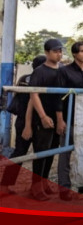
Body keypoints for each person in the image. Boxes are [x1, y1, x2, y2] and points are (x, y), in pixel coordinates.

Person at [0, 55, 46, 198]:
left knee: (19, 152)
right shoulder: (38, 81)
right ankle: (36, 188)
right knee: (37, 155)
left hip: (21, 121)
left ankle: (5, 186)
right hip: (30, 122)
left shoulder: (24, 79)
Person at [56, 41, 83, 200]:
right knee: (65, 154)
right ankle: (64, 188)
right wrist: (60, 119)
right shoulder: (64, 71)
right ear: (74, 54)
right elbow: (58, 97)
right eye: (82, 51)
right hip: (69, 118)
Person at [27, 39, 65, 201]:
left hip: (58, 116)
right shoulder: (40, 71)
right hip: (44, 117)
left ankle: (44, 182)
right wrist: (42, 116)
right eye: (56, 51)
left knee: (52, 151)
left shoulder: (62, 70)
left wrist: (60, 118)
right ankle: (35, 188)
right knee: (41, 152)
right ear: (47, 52)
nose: (59, 54)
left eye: (60, 51)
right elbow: (33, 94)